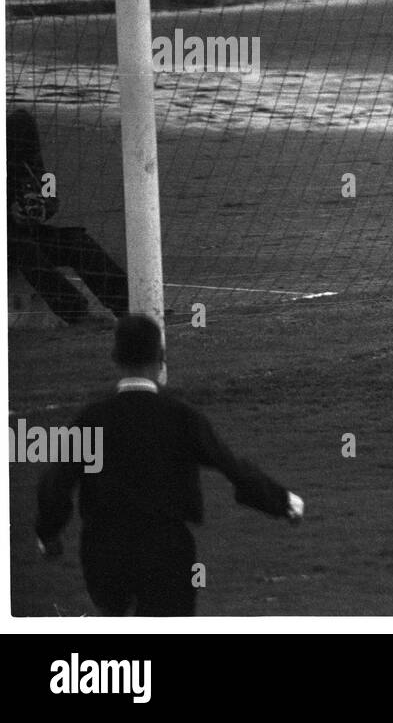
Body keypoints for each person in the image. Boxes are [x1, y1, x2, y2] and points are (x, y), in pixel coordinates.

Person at [34, 314, 304, 615]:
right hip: (166, 549)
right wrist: (282, 501)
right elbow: (231, 466)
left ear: (115, 359)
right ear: (161, 360)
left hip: (104, 549)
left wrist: (49, 533)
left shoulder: (90, 419)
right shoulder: (181, 417)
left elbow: (56, 483)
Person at [7, 107, 130, 324]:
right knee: (24, 248)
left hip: (23, 233)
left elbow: (50, 190)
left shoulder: (28, 160)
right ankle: (77, 313)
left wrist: (42, 207)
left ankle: (128, 307)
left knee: (76, 241)